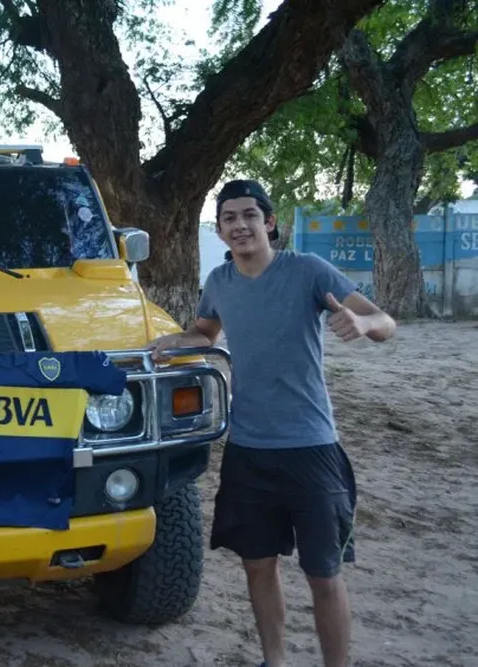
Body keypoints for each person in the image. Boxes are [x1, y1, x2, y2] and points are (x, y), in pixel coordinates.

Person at [147, 179, 396, 667]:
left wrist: (364, 325)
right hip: (249, 449)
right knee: (257, 565)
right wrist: (172, 342)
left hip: (311, 447)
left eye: (249, 216)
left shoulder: (307, 271)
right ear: (220, 231)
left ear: (270, 222)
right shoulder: (219, 282)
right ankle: (274, 661)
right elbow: (205, 330)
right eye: (229, 219)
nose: (240, 225)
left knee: (324, 574)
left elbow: (384, 320)